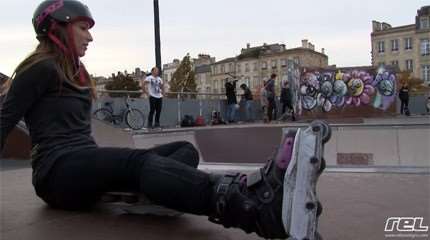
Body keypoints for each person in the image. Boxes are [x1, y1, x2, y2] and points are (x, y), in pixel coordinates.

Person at [0, 1, 322, 239]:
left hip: (80, 164)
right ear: (58, 27)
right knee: (138, 163)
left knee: (184, 150)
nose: (90, 37)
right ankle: (251, 209)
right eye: (83, 28)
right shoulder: (39, 69)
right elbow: (4, 120)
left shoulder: (75, 73)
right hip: (56, 173)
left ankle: (155, 193)